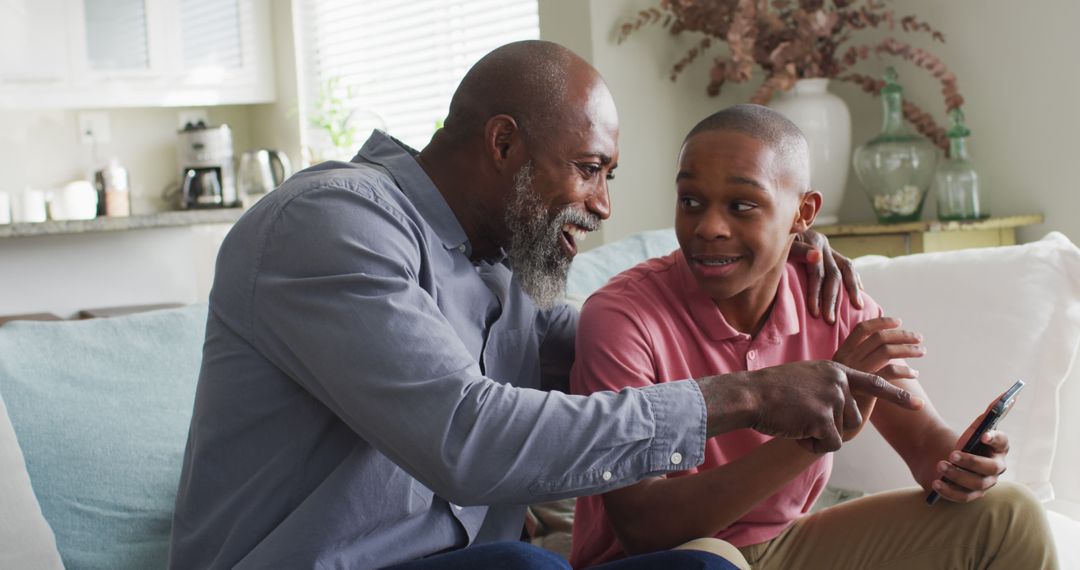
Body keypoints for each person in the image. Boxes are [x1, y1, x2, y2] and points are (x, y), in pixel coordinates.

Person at [167, 42, 921, 569]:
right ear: (503, 145)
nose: (601, 206)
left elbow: (633, 342)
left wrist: (783, 258)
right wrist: (751, 394)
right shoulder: (332, 225)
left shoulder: (497, 269)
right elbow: (470, 440)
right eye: (590, 170)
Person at [569, 104, 1059, 569]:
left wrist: (965, 464)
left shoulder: (831, 298)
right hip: (672, 560)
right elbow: (644, 529)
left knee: (1010, 516)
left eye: (742, 205)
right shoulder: (621, 318)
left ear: (803, 213)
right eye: (691, 201)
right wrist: (810, 441)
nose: (708, 227)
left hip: (783, 545)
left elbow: (926, 446)